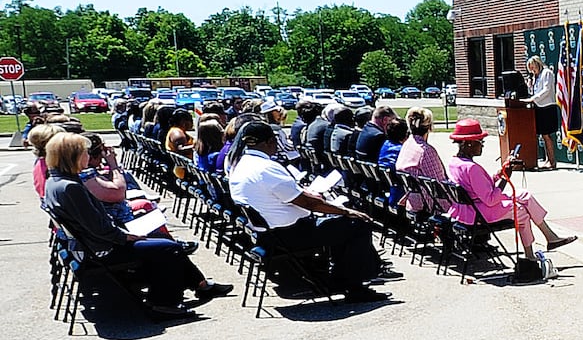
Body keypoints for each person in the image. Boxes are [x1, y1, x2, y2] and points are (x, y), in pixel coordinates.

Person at [42, 132, 231, 317]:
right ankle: (163, 303)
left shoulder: (56, 181)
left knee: (163, 241)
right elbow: (98, 228)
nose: (88, 156)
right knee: (168, 248)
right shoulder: (70, 187)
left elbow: (93, 222)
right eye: (85, 152)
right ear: (72, 156)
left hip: (97, 242)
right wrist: (125, 236)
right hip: (103, 249)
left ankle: (202, 286)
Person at [226, 120, 389, 302]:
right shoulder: (265, 168)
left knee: (338, 225)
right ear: (270, 141)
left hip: (270, 234)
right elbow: (308, 204)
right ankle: (354, 286)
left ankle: (339, 276)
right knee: (358, 223)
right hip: (290, 235)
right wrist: (344, 211)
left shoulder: (240, 165)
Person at [444, 118, 575, 265]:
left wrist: (500, 173)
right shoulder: (471, 168)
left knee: (524, 194)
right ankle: (531, 254)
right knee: (521, 211)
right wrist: (507, 176)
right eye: (480, 142)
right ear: (468, 143)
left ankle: (550, 237)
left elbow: (480, 187)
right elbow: (491, 199)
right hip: (479, 212)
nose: (482, 146)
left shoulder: (455, 162)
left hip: (466, 209)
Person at [395, 107, 449, 213]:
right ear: (430, 127)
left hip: (412, 201)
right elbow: (440, 185)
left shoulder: (407, 145)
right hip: (431, 205)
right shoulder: (425, 151)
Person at [529, 56, 561, 170]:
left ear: (538, 64)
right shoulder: (535, 77)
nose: (533, 71)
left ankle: (552, 161)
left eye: (533, 68)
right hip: (538, 107)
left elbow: (546, 90)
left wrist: (534, 98)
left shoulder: (547, 73)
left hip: (547, 106)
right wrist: (530, 85)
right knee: (543, 135)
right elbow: (534, 90)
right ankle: (547, 159)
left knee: (547, 135)